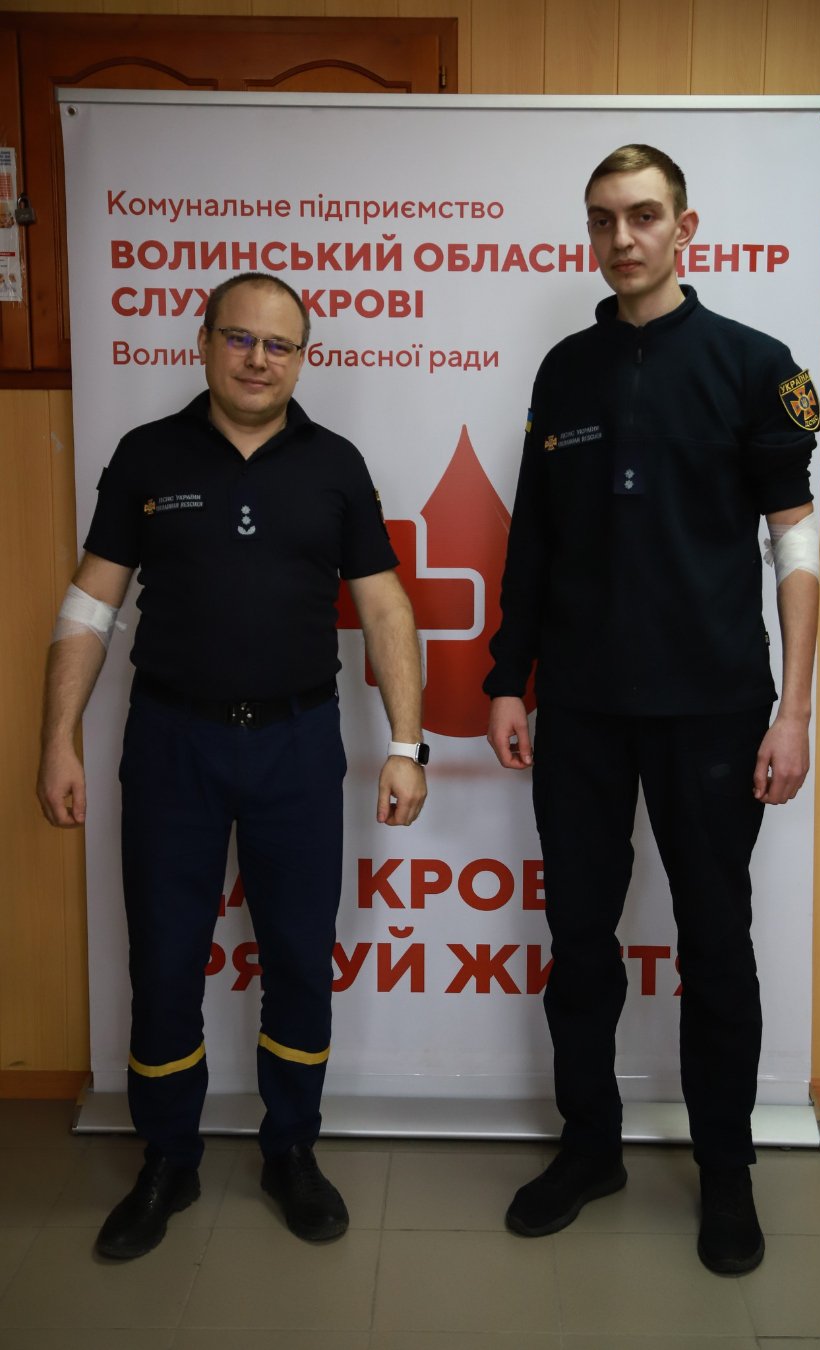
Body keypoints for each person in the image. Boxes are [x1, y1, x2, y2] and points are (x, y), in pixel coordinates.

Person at [37, 271, 429, 1259]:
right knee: (164, 962)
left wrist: (406, 744)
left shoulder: (336, 465)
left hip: (298, 744)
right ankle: (167, 1160)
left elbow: (385, 607)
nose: (259, 360)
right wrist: (58, 737)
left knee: (298, 959)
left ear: (304, 358)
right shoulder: (146, 455)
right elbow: (91, 603)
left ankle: (290, 1150)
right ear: (205, 342)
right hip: (173, 744)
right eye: (241, 338)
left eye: (280, 344)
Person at [484, 145, 820, 1275]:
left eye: (641, 216)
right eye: (602, 219)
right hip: (581, 708)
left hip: (715, 708)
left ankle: (726, 1172)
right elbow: (533, 541)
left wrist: (795, 712)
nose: (620, 238)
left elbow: (795, 552)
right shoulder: (566, 371)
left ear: (686, 228)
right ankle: (591, 1149)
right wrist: (507, 678)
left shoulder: (754, 365)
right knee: (580, 940)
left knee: (715, 941)